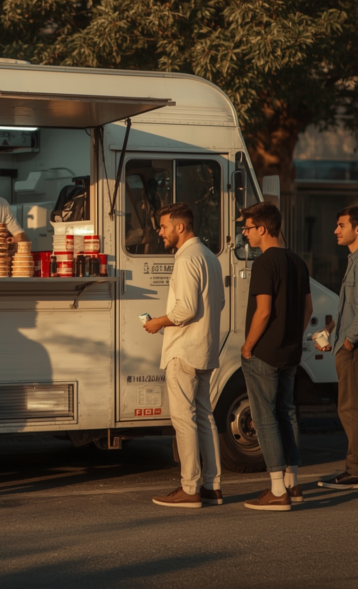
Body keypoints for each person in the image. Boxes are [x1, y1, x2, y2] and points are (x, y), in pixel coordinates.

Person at [143, 203, 225, 509]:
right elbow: (219, 302)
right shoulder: (209, 257)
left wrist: (158, 322)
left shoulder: (187, 258)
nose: (160, 231)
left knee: (184, 419)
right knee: (205, 417)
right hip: (203, 349)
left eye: (164, 226)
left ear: (181, 227)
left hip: (183, 350)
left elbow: (186, 309)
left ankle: (189, 488)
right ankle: (212, 487)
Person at [240, 202, 312, 511]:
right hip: (291, 351)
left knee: (264, 418)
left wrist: (248, 345)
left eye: (247, 228)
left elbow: (264, 311)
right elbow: (308, 309)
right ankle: (293, 484)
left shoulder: (264, 263)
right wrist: (293, 336)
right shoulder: (298, 262)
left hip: (265, 352)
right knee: (287, 413)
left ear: (263, 228)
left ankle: (276, 490)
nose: (245, 234)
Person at [317, 206, 358, 490]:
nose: (336, 230)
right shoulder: (352, 260)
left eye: (341, 225)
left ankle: (354, 471)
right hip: (346, 344)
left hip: (352, 349)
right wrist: (331, 330)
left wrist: (349, 340)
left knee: (349, 409)